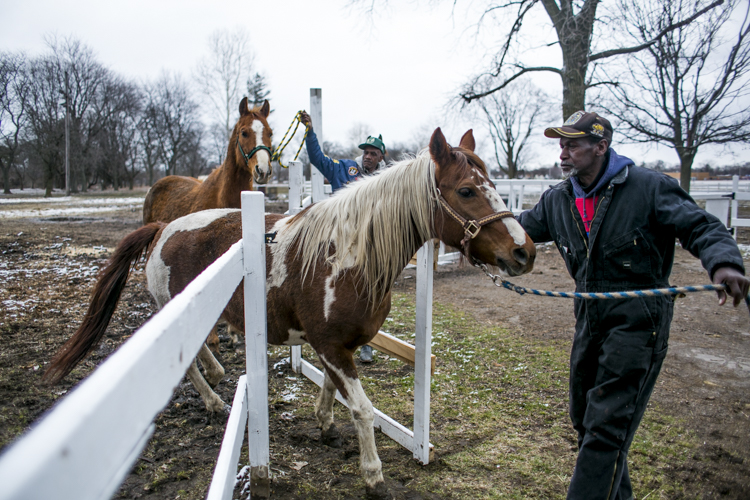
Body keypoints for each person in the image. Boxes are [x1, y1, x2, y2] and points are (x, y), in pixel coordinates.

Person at [517, 110, 750, 500]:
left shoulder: (648, 187)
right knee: (586, 420)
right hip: (589, 316)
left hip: (639, 320)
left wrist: (724, 263)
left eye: (572, 144)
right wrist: (473, 238)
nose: (563, 151)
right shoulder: (557, 200)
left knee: (607, 426)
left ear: (600, 146)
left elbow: (702, 226)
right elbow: (517, 233)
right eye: (561, 143)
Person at [299, 110, 387, 363]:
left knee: (374, 292)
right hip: (341, 240)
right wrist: (310, 132)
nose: (368, 156)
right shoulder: (345, 169)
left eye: (373, 153)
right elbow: (317, 158)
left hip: (371, 243)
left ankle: (366, 342)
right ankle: (329, 333)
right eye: (366, 152)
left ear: (381, 156)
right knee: (341, 292)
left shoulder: (385, 179)